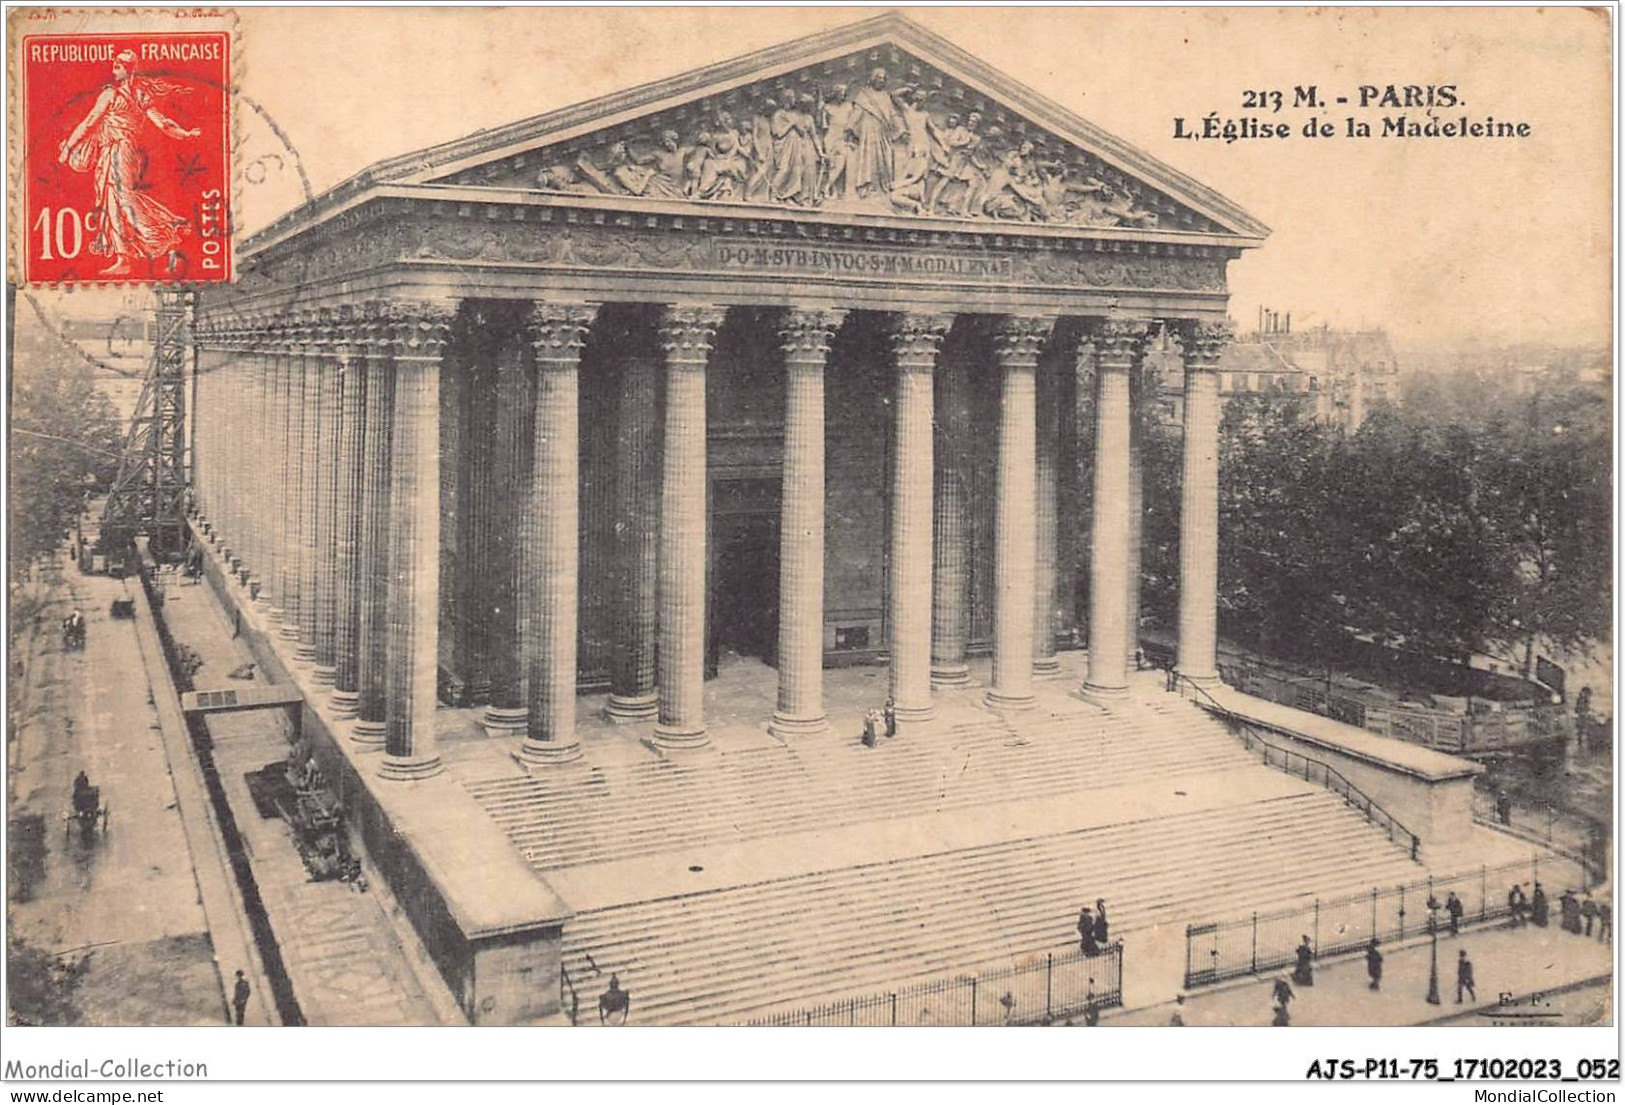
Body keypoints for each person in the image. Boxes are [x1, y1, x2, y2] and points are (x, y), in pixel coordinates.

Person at [56, 49, 201, 276]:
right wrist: (185, 133)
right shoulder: (139, 95)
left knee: (122, 200)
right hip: (121, 151)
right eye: (115, 61)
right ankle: (134, 251)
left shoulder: (112, 94)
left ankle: (162, 238)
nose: (115, 64)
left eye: (121, 63)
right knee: (116, 199)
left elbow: (89, 122)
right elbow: (163, 124)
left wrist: (68, 147)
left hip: (117, 150)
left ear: (130, 69)